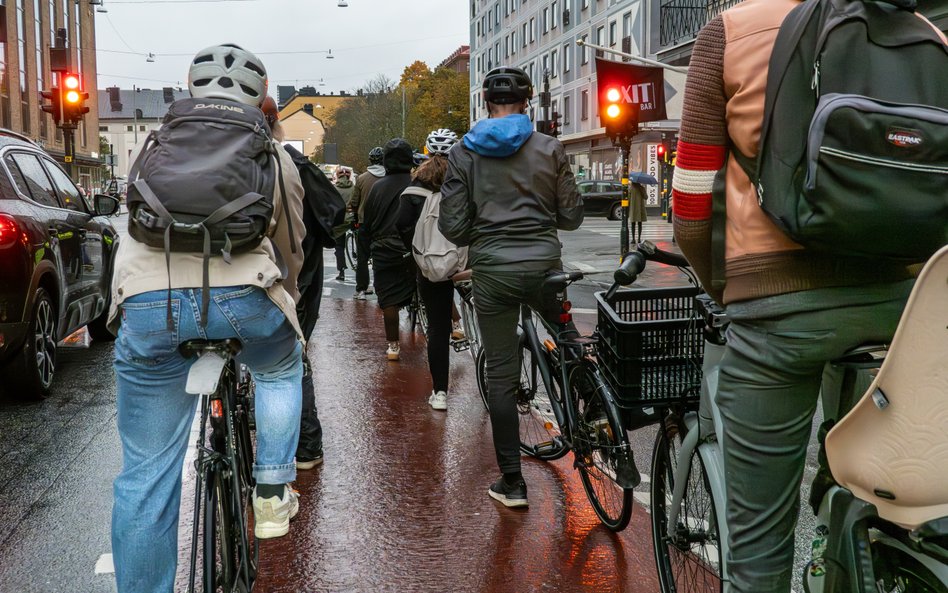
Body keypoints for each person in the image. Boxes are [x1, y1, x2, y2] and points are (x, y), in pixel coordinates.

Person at [671, 2, 931, 590]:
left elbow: (690, 208)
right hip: (908, 311)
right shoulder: (927, 31)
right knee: (908, 499)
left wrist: (726, 289)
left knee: (758, 554)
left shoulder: (731, 33)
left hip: (778, 312)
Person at [110, 45, 306, 593]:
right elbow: (290, 246)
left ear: (189, 88)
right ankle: (270, 491)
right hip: (246, 297)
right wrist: (285, 301)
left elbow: (133, 227)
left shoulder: (154, 145)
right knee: (280, 367)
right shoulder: (272, 154)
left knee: (146, 475)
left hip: (152, 305)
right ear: (261, 96)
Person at [440, 66, 583, 507]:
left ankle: (513, 483)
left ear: (485, 102)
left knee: (501, 375)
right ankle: (598, 418)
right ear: (529, 101)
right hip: (544, 265)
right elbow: (572, 216)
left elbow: (453, 227)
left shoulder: (464, 154)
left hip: (494, 273)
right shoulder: (550, 147)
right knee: (567, 337)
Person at [262, 96, 334, 470]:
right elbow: (312, 227)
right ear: (275, 122)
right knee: (287, 361)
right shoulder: (289, 160)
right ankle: (305, 447)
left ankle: (223, 437)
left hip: (206, 285)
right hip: (287, 277)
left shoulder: (193, 153)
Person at [396, 128, 460, 410]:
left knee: (437, 329)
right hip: (466, 261)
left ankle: (441, 393)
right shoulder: (463, 182)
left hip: (432, 265)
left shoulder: (413, 190)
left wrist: (418, 251)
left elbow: (401, 225)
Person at [360, 138, 416, 361]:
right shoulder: (416, 184)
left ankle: (393, 346)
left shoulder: (377, 188)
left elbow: (368, 222)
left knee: (388, 299)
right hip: (412, 247)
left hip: (384, 249)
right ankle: (455, 323)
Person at [350, 146, 386, 299]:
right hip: (384, 223)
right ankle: (381, 289)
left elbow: (354, 202)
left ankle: (362, 290)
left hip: (365, 223)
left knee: (363, 258)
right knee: (381, 257)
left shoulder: (362, 178)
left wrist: (355, 218)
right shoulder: (388, 177)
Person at [332, 167, 355, 282]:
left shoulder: (334, 189)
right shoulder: (354, 188)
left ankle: (341, 271)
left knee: (339, 246)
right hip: (352, 219)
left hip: (339, 220)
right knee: (359, 242)